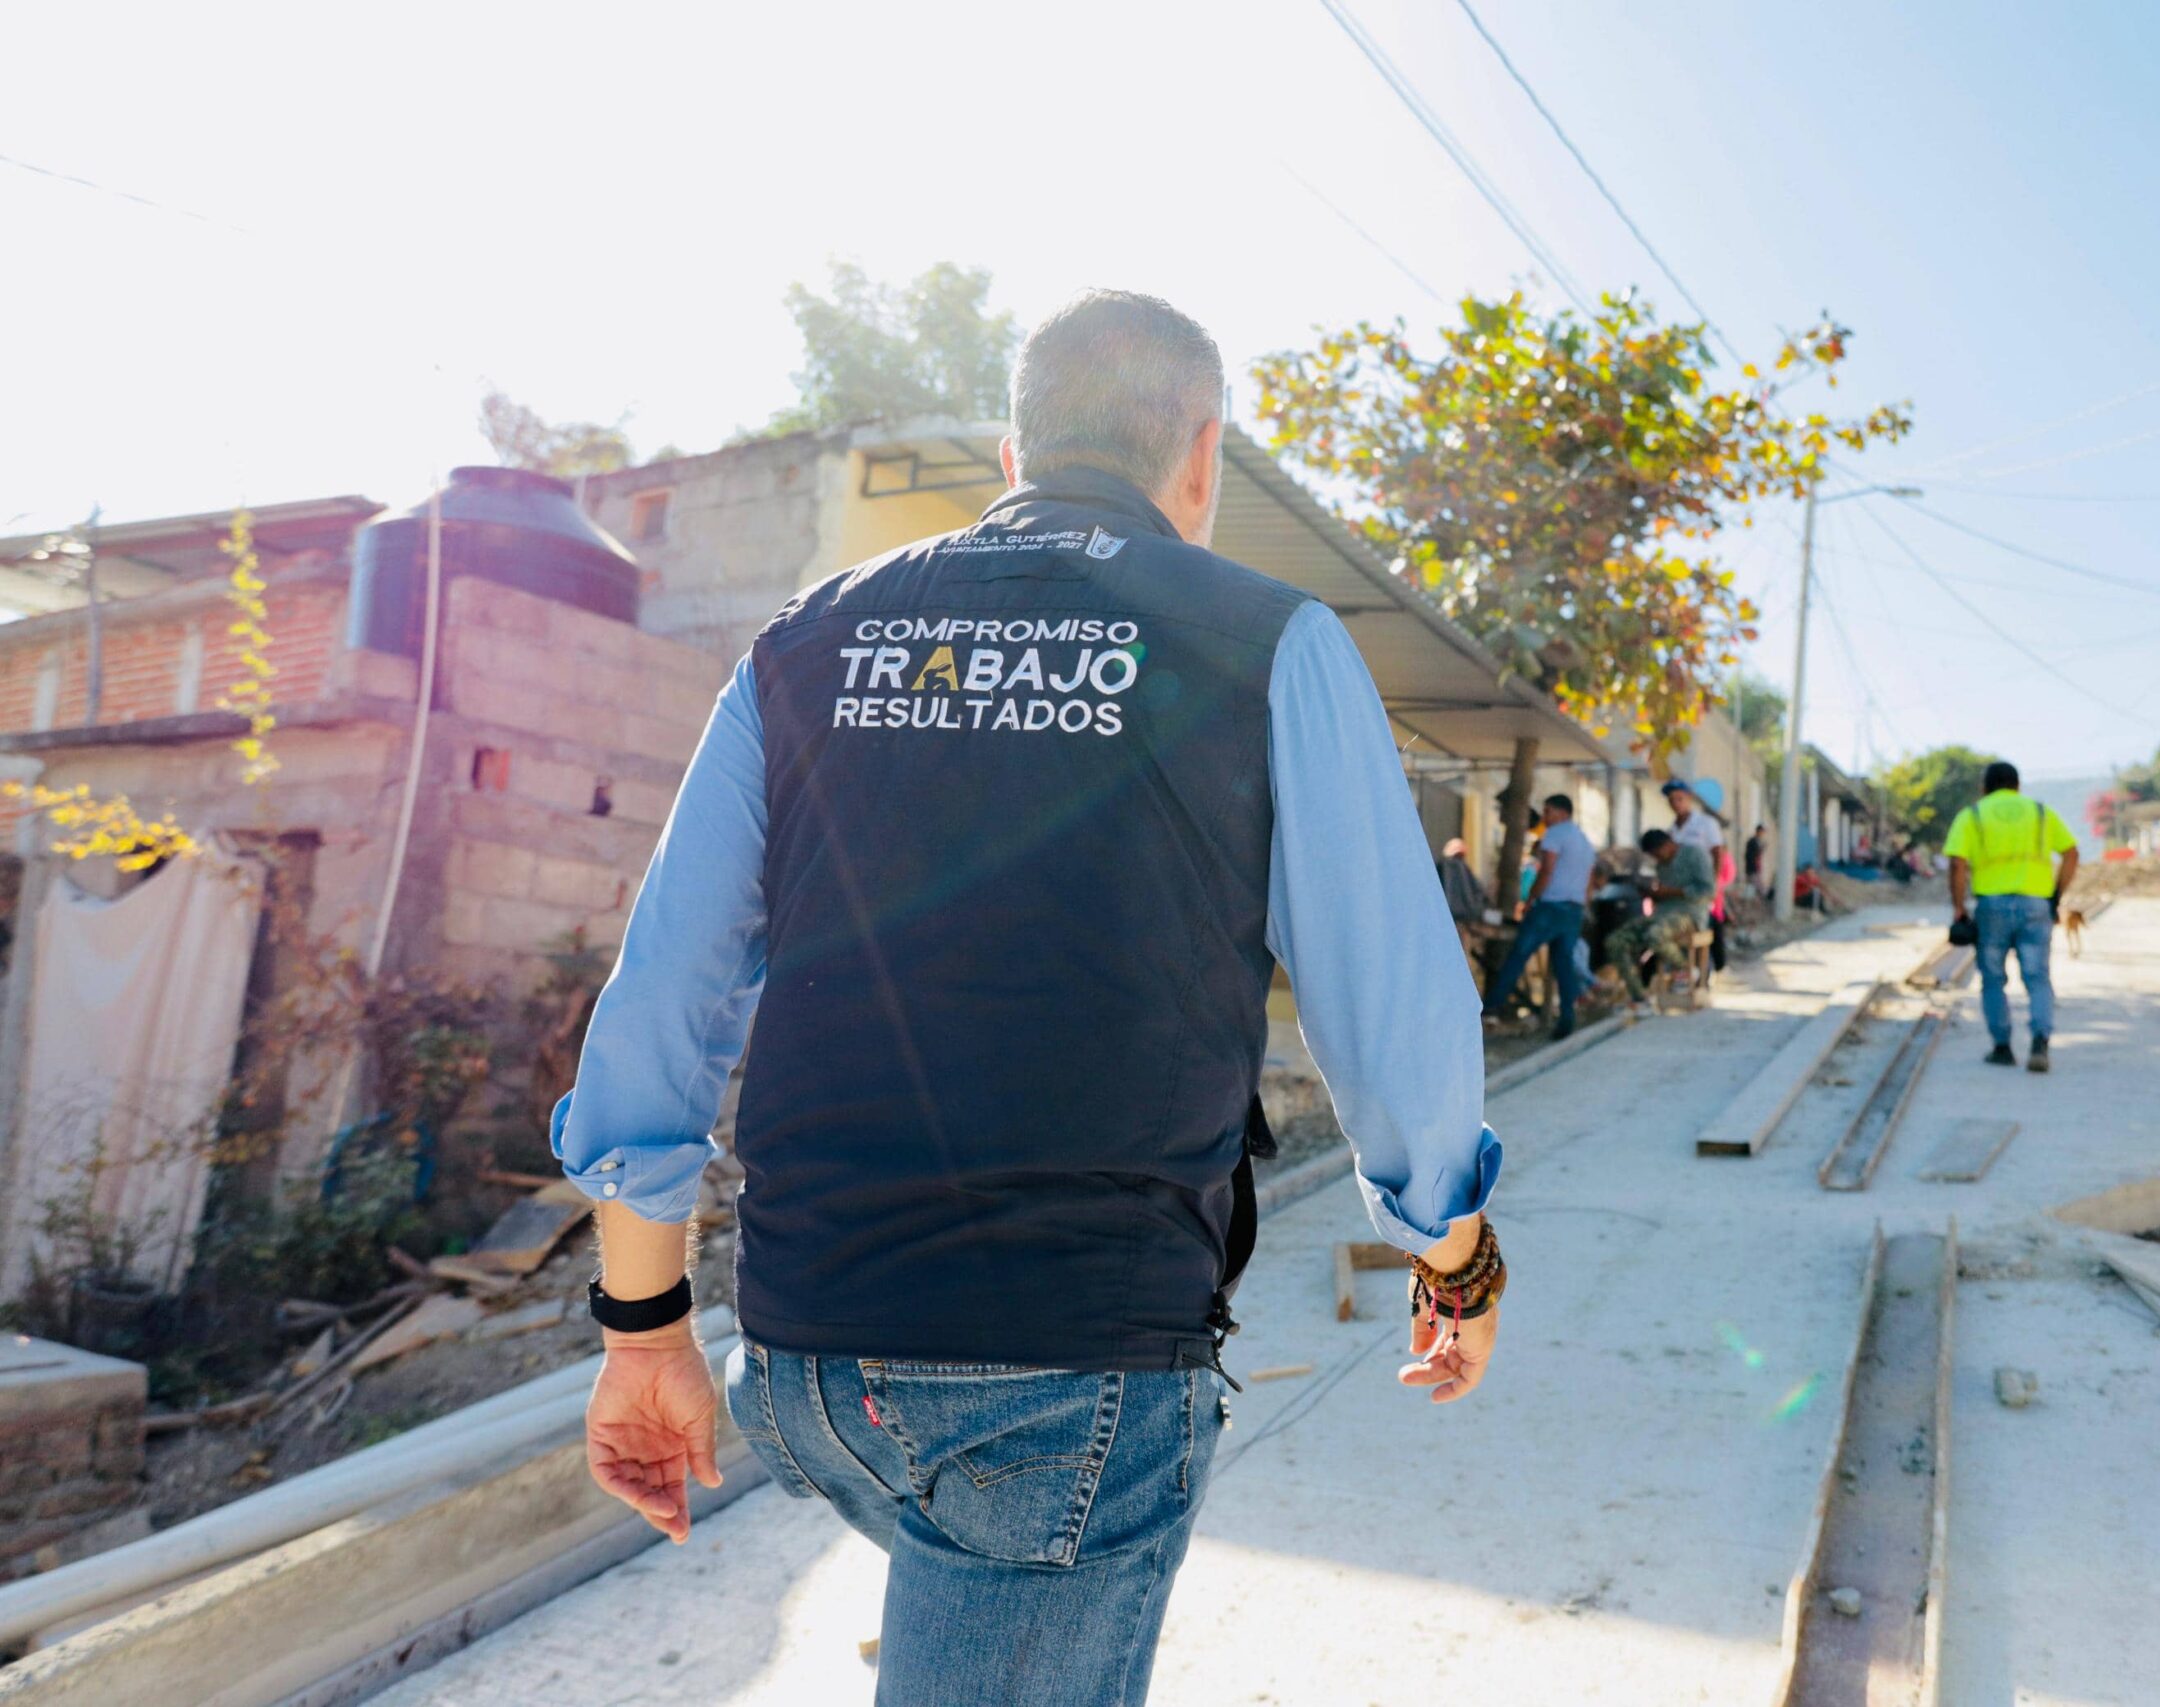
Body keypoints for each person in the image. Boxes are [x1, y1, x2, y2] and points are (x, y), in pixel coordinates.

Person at [556, 290, 1505, 1706]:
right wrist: (1456, 1255)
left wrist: (642, 1328)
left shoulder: (806, 642)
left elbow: (666, 1000)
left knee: (967, 1556)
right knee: (1001, 1546)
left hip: (805, 1363)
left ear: (1013, 454)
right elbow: (1389, 996)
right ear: (1203, 456)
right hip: (1065, 1371)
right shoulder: (1269, 641)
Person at [1944, 760, 2080, 1074]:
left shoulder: (1972, 815)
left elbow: (1957, 864)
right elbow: (2071, 853)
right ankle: (2040, 1043)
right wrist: (2056, 896)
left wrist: (1959, 907)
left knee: (1992, 978)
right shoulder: (2041, 813)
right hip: (2036, 906)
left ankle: (2002, 1048)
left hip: (1991, 908)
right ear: (2018, 786)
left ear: (1984, 787)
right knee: (2037, 977)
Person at [1481, 793, 1597, 1040]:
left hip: (1550, 906)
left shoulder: (1554, 835)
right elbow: (1589, 881)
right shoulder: (1584, 840)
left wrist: (1531, 899)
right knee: (1563, 963)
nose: (1545, 817)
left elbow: (1546, 871)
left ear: (1562, 812)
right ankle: (1567, 1015)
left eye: (1548, 811)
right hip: (1574, 909)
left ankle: (1490, 1008)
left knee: (1518, 955)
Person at [1606, 828, 1714, 1015]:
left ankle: (1685, 970)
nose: (1657, 859)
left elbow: (1708, 891)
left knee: (1656, 934)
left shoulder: (1694, 854)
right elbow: (1663, 895)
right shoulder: (1661, 865)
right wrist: (1652, 894)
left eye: (1657, 854)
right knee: (1616, 941)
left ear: (1668, 844)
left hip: (1690, 914)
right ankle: (1640, 997)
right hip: (1662, 915)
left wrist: (1672, 892)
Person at [1744, 822, 1769, 896]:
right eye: (1762, 831)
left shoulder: (1758, 841)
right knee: (1757, 888)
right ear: (1758, 831)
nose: (1763, 833)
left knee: (1756, 888)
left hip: (1757, 868)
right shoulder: (1752, 841)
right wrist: (1752, 869)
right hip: (1752, 869)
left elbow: (1758, 854)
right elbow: (1750, 856)